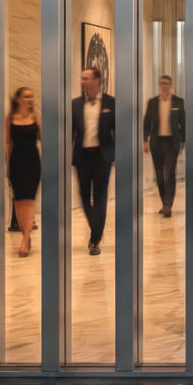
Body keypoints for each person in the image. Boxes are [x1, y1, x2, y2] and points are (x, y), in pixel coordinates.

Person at [71, 67, 115, 255]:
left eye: (87, 78)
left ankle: (95, 240)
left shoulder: (110, 103)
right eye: (82, 78)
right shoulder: (75, 104)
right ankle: (96, 229)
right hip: (82, 157)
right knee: (83, 196)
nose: (83, 82)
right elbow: (70, 132)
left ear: (97, 80)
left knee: (100, 197)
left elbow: (117, 130)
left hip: (102, 157)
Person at [142, 74, 185, 217]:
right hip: (157, 143)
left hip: (172, 143)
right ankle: (164, 202)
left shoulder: (178, 102)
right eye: (162, 83)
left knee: (170, 173)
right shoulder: (153, 102)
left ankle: (168, 205)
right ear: (159, 85)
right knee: (160, 175)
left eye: (167, 83)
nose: (164, 86)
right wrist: (145, 141)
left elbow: (183, 122)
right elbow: (147, 123)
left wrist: (183, 140)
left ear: (171, 86)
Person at [6, 86, 41, 257]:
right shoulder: (10, 118)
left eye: (31, 96)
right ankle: (25, 235)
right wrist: (6, 164)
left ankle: (25, 239)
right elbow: (7, 143)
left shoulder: (35, 116)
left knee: (29, 199)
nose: (30, 99)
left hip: (33, 162)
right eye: (26, 96)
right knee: (19, 202)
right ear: (18, 99)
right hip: (16, 162)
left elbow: (44, 137)